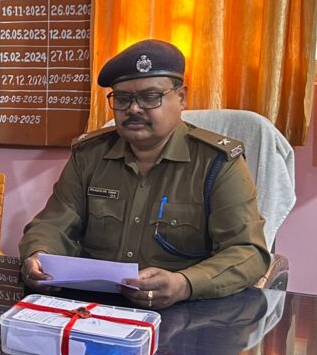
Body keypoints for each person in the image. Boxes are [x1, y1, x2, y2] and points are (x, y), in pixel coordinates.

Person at [19, 39, 270, 309]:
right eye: (123, 99)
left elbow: (248, 252)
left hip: (184, 308)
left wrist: (184, 283)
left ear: (181, 97)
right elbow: (53, 224)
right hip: (94, 306)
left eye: (150, 97)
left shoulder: (216, 163)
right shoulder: (89, 155)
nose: (134, 109)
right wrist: (39, 255)